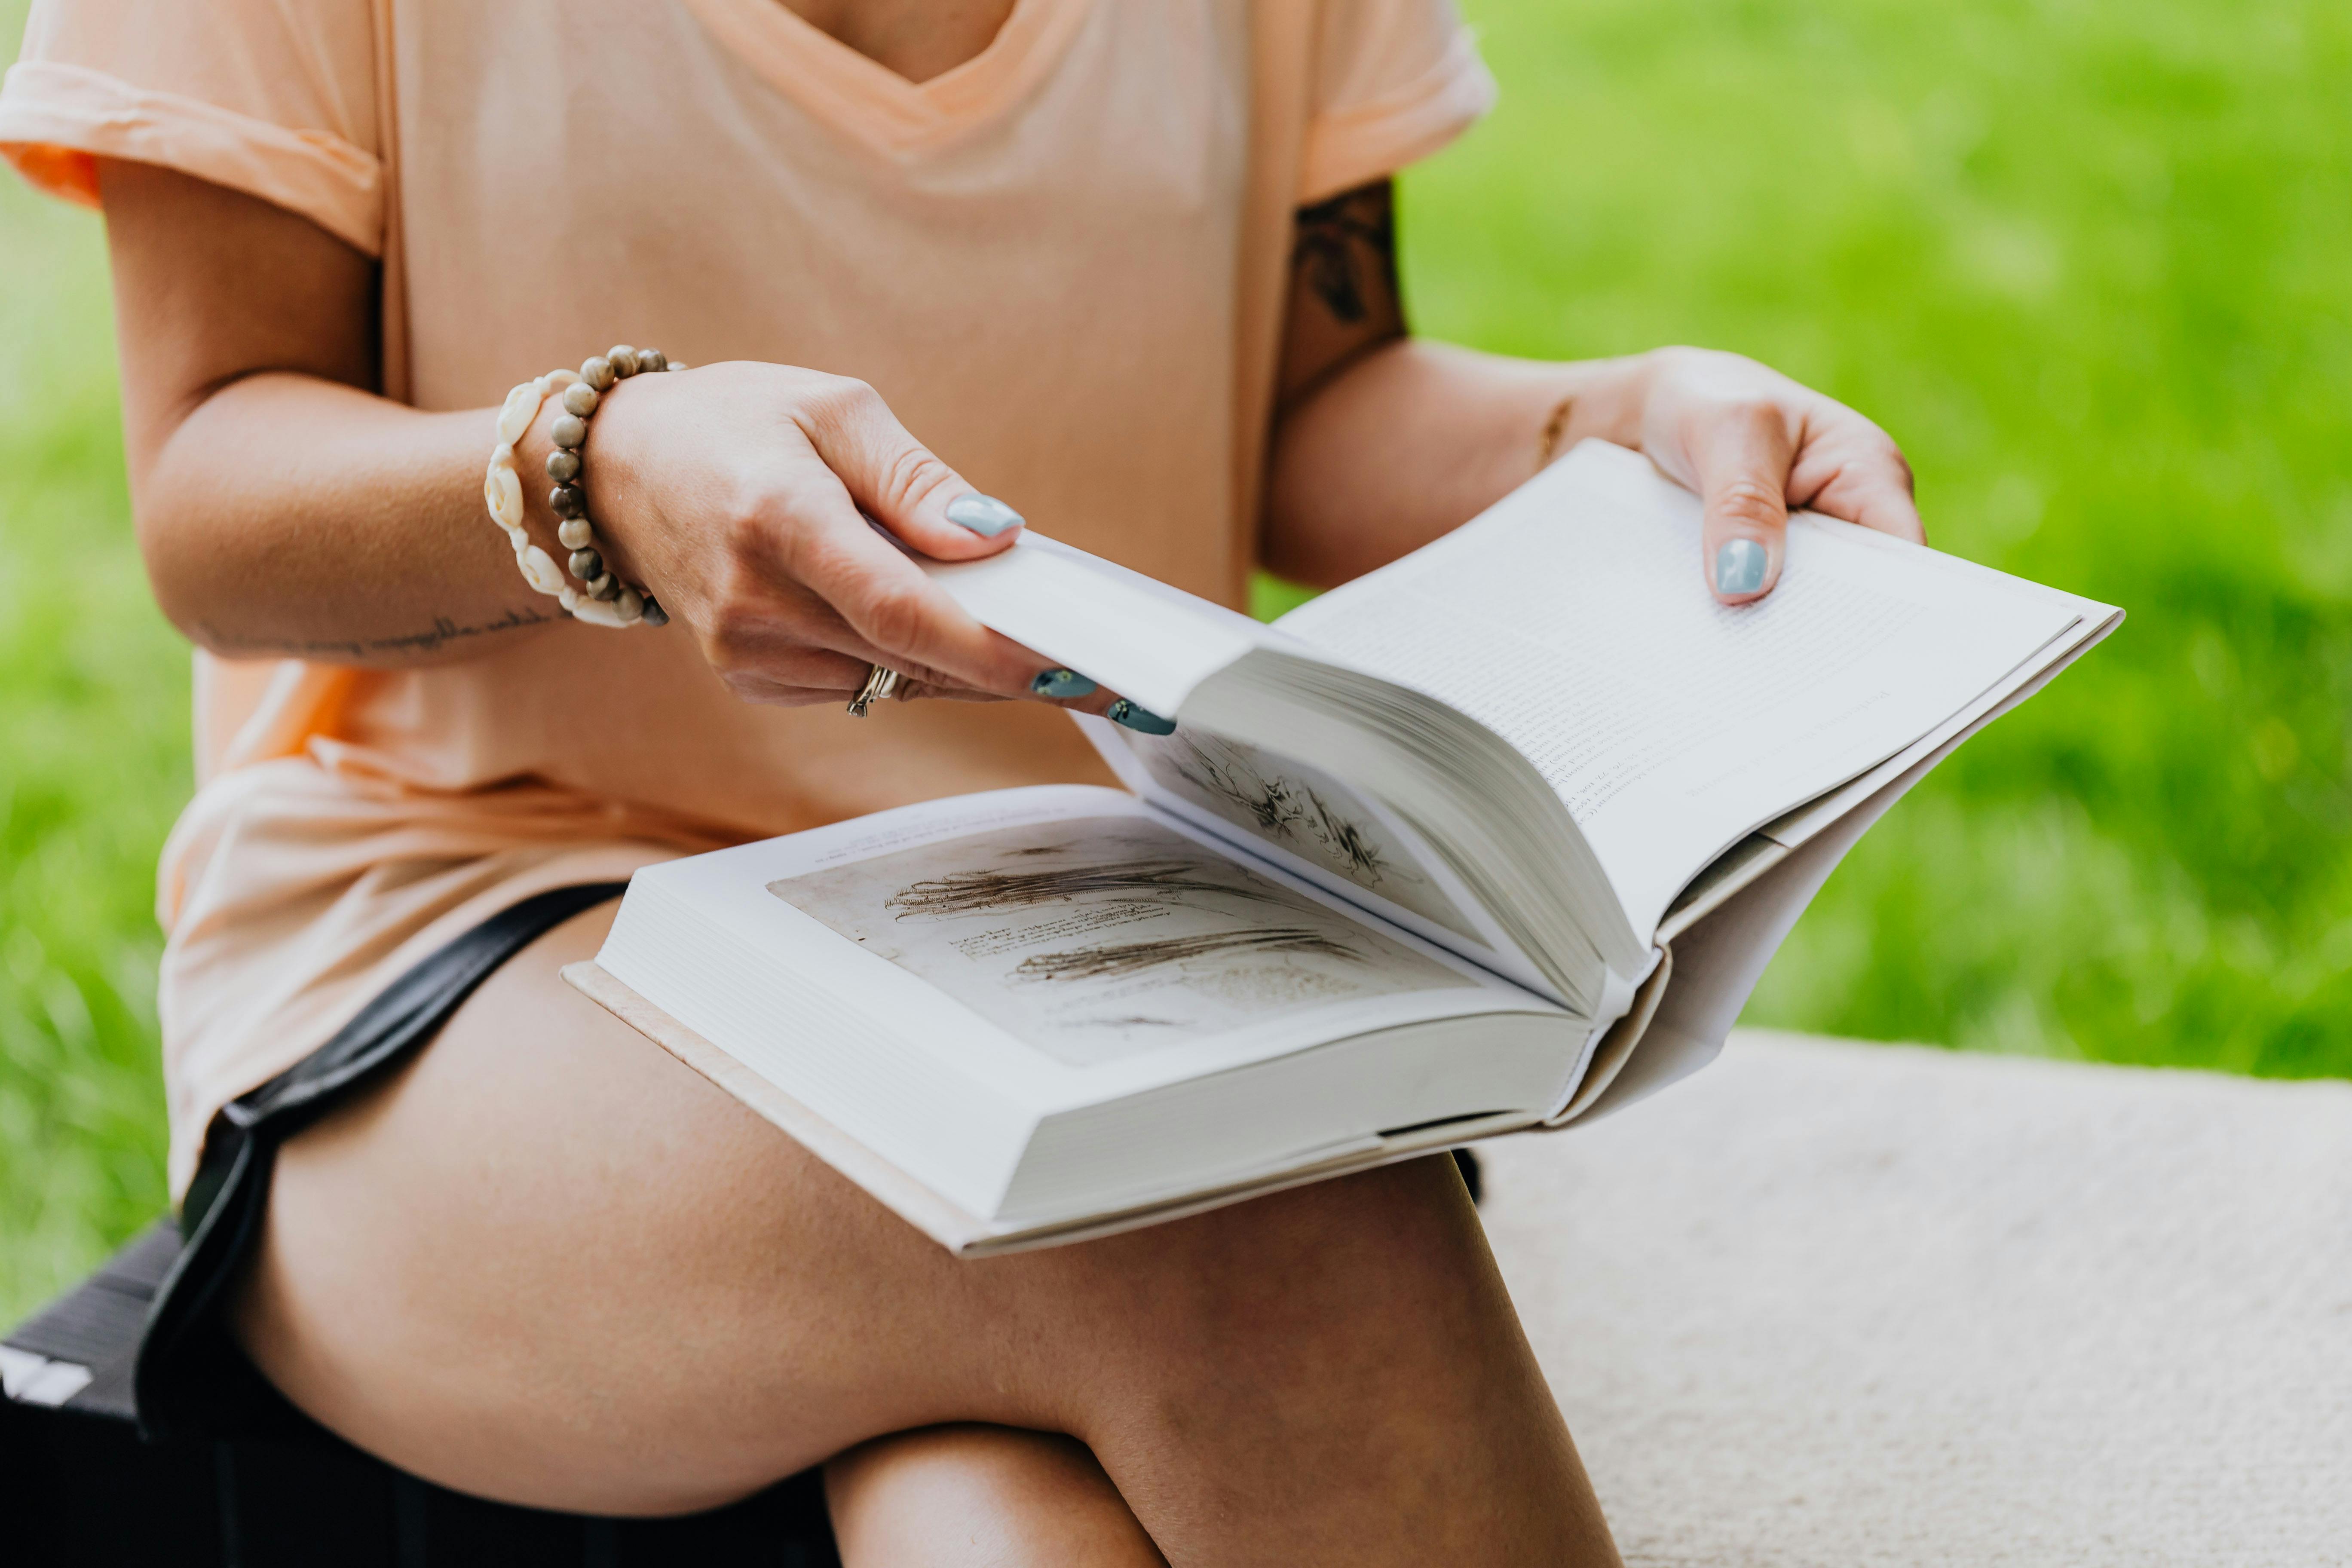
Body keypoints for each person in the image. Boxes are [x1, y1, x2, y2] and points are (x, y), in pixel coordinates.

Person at [0, 1, 1923, 1561]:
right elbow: (213, 503)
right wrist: (609, 468)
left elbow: (1311, 403)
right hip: (467, 967)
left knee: (1001, 1520)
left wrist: (1619, 438)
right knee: (1242, 1211)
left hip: (1075, 928)